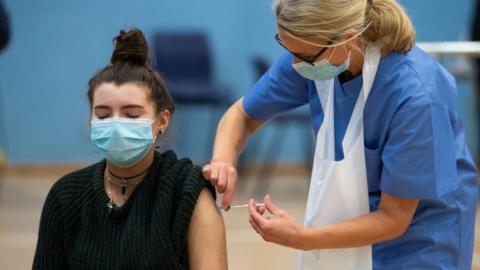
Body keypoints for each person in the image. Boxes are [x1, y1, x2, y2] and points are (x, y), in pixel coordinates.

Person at [202, 0, 478, 269]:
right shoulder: (313, 58)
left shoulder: (417, 96)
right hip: (352, 216)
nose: (294, 65)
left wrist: (302, 238)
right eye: (287, 49)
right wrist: (223, 161)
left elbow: (395, 217)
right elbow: (243, 114)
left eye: (303, 56)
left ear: (347, 38)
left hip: (418, 237)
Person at [32, 28, 227, 270]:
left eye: (131, 115)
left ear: (162, 121)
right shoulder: (66, 196)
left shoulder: (187, 193)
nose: (115, 125)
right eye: (103, 115)